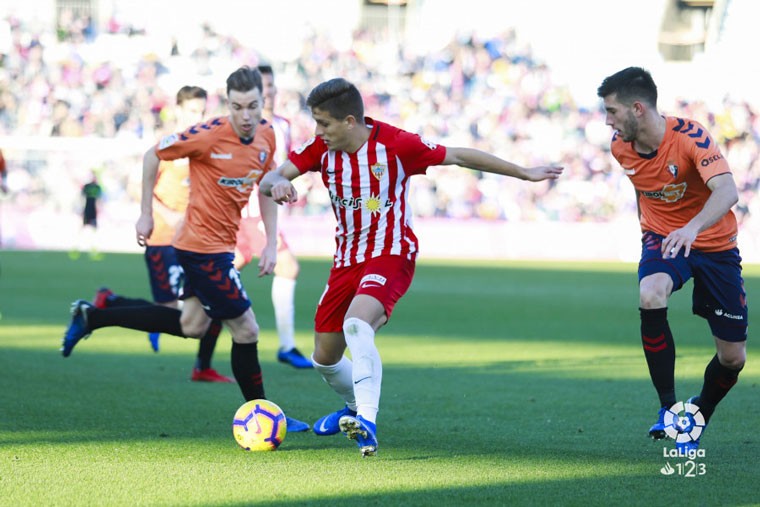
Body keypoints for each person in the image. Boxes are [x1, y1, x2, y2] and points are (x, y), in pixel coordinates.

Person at [259, 77, 563, 456]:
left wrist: (524, 172)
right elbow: (271, 178)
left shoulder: (398, 145)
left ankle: (367, 420)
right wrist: (278, 185)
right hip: (345, 261)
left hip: (391, 253)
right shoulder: (319, 150)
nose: (318, 132)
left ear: (350, 121)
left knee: (357, 325)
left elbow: (460, 156)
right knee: (324, 358)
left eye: (324, 124)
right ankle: (352, 408)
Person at [61, 66, 309, 432]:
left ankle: (93, 316)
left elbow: (266, 183)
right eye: (237, 107)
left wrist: (271, 240)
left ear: (262, 103)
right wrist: (146, 213)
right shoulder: (207, 135)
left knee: (191, 325)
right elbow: (152, 155)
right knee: (247, 329)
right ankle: (266, 415)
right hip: (200, 248)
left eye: (252, 106)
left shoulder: (268, 136)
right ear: (228, 104)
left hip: (221, 246)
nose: (245, 116)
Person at [597, 67, 747, 452]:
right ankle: (668, 410)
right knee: (651, 293)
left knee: (732, 359)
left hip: (714, 244)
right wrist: (648, 229)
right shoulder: (619, 147)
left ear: (637, 108)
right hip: (663, 239)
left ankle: (696, 417)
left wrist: (692, 228)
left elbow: (728, 190)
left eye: (612, 111)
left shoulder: (690, 136)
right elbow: (642, 188)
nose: (607, 120)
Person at [94, 85, 232, 383]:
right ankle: (111, 303)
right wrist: (164, 214)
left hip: (197, 240)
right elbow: (136, 185)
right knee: (170, 312)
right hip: (165, 238)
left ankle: (203, 366)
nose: (199, 116)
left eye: (203, 110)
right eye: (193, 110)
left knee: (217, 301)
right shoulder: (168, 146)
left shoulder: (205, 144)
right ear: (179, 110)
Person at [233, 64, 312, 369]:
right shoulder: (248, 126)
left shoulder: (283, 124)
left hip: (262, 211)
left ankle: (176, 312)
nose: (269, 91)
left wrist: (295, 183)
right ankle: (287, 345)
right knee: (287, 268)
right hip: (252, 213)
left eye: (271, 85)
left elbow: (283, 167)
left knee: (220, 276)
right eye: (263, 86)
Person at [70, 172, 103, 260]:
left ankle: (93, 250)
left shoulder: (97, 187)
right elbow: (81, 198)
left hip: (93, 211)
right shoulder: (87, 186)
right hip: (87, 210)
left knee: (93, 231)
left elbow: (99, 200)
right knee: (82, 229)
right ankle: (76, 248)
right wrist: (81, 209)